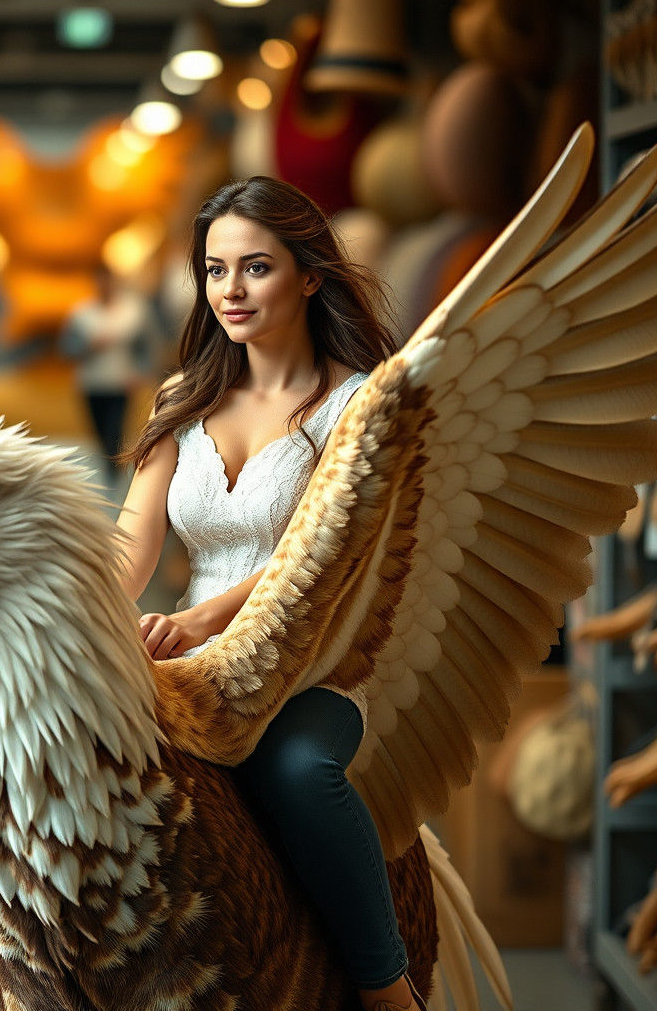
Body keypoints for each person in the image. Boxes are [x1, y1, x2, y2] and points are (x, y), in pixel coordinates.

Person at [115, 175, 425, 1011]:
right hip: (192, 661)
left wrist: (205, 616)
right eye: (215, 271)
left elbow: (327, 553)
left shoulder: (354, 405)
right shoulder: (184, 399)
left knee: (297, 772)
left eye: (255, 268)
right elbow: (131, 545)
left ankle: (387, 987)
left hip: (318, 659)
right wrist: (71, 610)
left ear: (310, 275)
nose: (231, 291)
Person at [62, 263, 154, 486]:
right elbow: (66, 349)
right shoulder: (81, 314)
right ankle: (108, 469)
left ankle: (114, 475)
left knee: (115, 430)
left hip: (120, 381)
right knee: (99, 431)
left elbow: (145, 346)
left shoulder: (132, 312)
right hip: (91, 383)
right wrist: (88, 347)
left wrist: (140, 372)